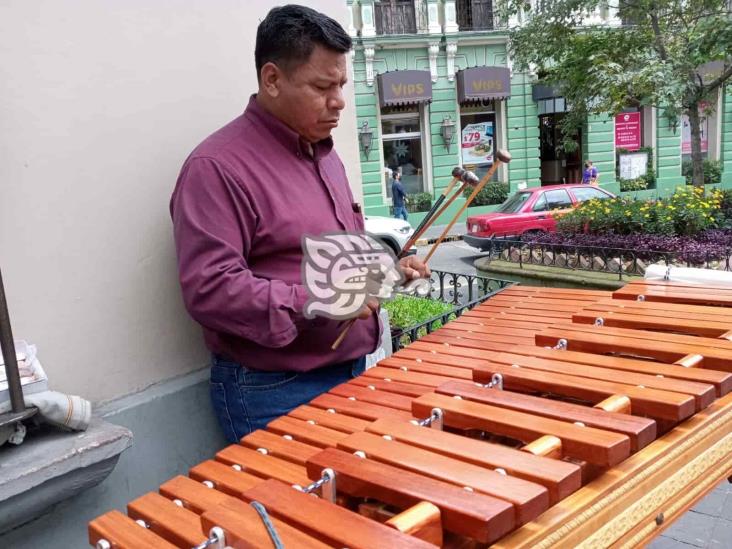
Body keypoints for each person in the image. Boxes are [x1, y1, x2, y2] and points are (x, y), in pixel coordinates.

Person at [170, 5, 429, 442]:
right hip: (274, 389)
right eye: (322, 86)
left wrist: (386, 272)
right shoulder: (216, 168)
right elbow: (210, 290)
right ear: (272, 79)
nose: (339, 101)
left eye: (342, 84)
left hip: (352, 369)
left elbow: (331, 259)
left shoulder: (326, 154)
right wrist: (318, 299)